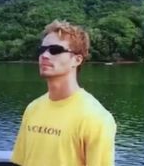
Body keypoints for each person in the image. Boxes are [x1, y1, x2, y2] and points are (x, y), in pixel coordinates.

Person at [11, 20, 117, 166]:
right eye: (42, 50)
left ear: (77, 60)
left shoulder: (96, 118)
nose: (45, 55)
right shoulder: (32, 109)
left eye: (55, 50)